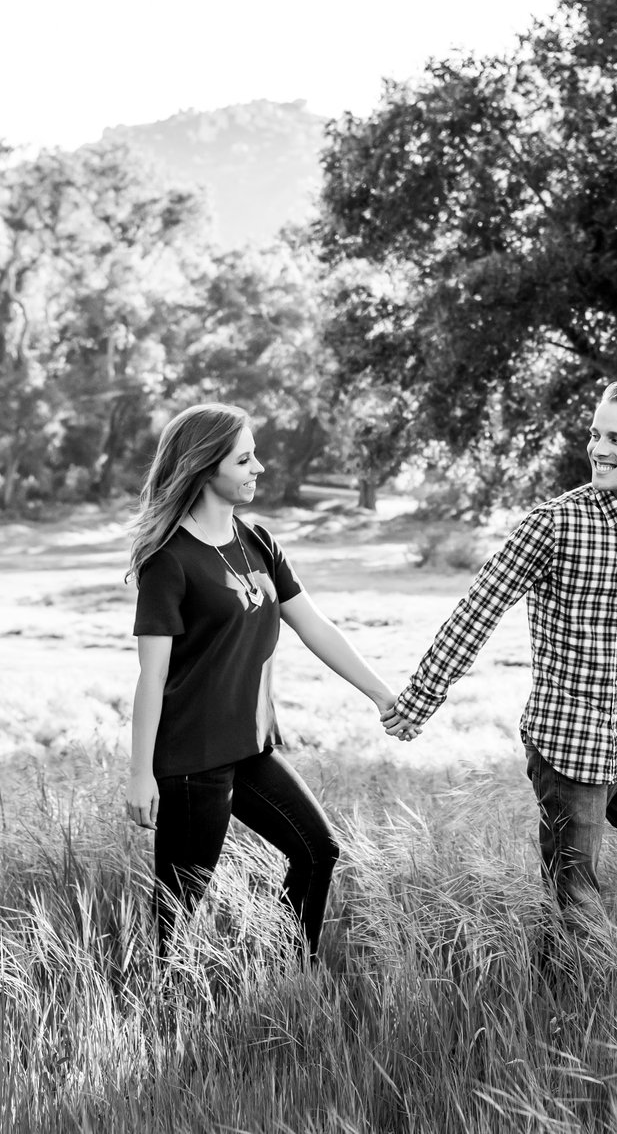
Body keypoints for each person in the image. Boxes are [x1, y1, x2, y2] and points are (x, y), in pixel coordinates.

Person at [384, 382, 617, 921]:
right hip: (565, 742)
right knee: (576, 907)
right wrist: (421, 699)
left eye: (616, 439)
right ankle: (569, 981)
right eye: (595, 434)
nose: (597, 448)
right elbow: (479, 610)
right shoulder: (554, 523)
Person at [125, 402, 397, 962]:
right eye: (244, 459)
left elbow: (315, 626)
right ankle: (153, 1004)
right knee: (176, 914)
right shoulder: (168, 561)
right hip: (192, 759)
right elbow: (152, 677)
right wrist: (140, 774)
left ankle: (288, 976)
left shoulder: (258, 541)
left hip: (250, 747)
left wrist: (382, 695)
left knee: (317, 851)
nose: (259, 468)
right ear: (205, 468)